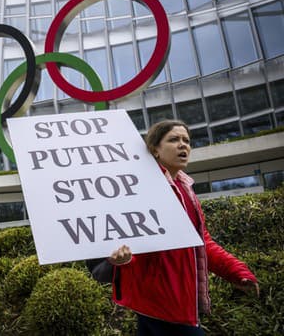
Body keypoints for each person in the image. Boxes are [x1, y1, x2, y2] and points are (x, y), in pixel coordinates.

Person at [87, 120, 259, 336]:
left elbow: (201, 242)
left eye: (186, 141)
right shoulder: (140, 187)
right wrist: (125, 260)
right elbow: (138, 242)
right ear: (155, 150)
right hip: (164, 306)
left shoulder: (186, 189)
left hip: (177, 305)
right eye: (174, 139)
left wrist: (237, 272)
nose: (183, 145)